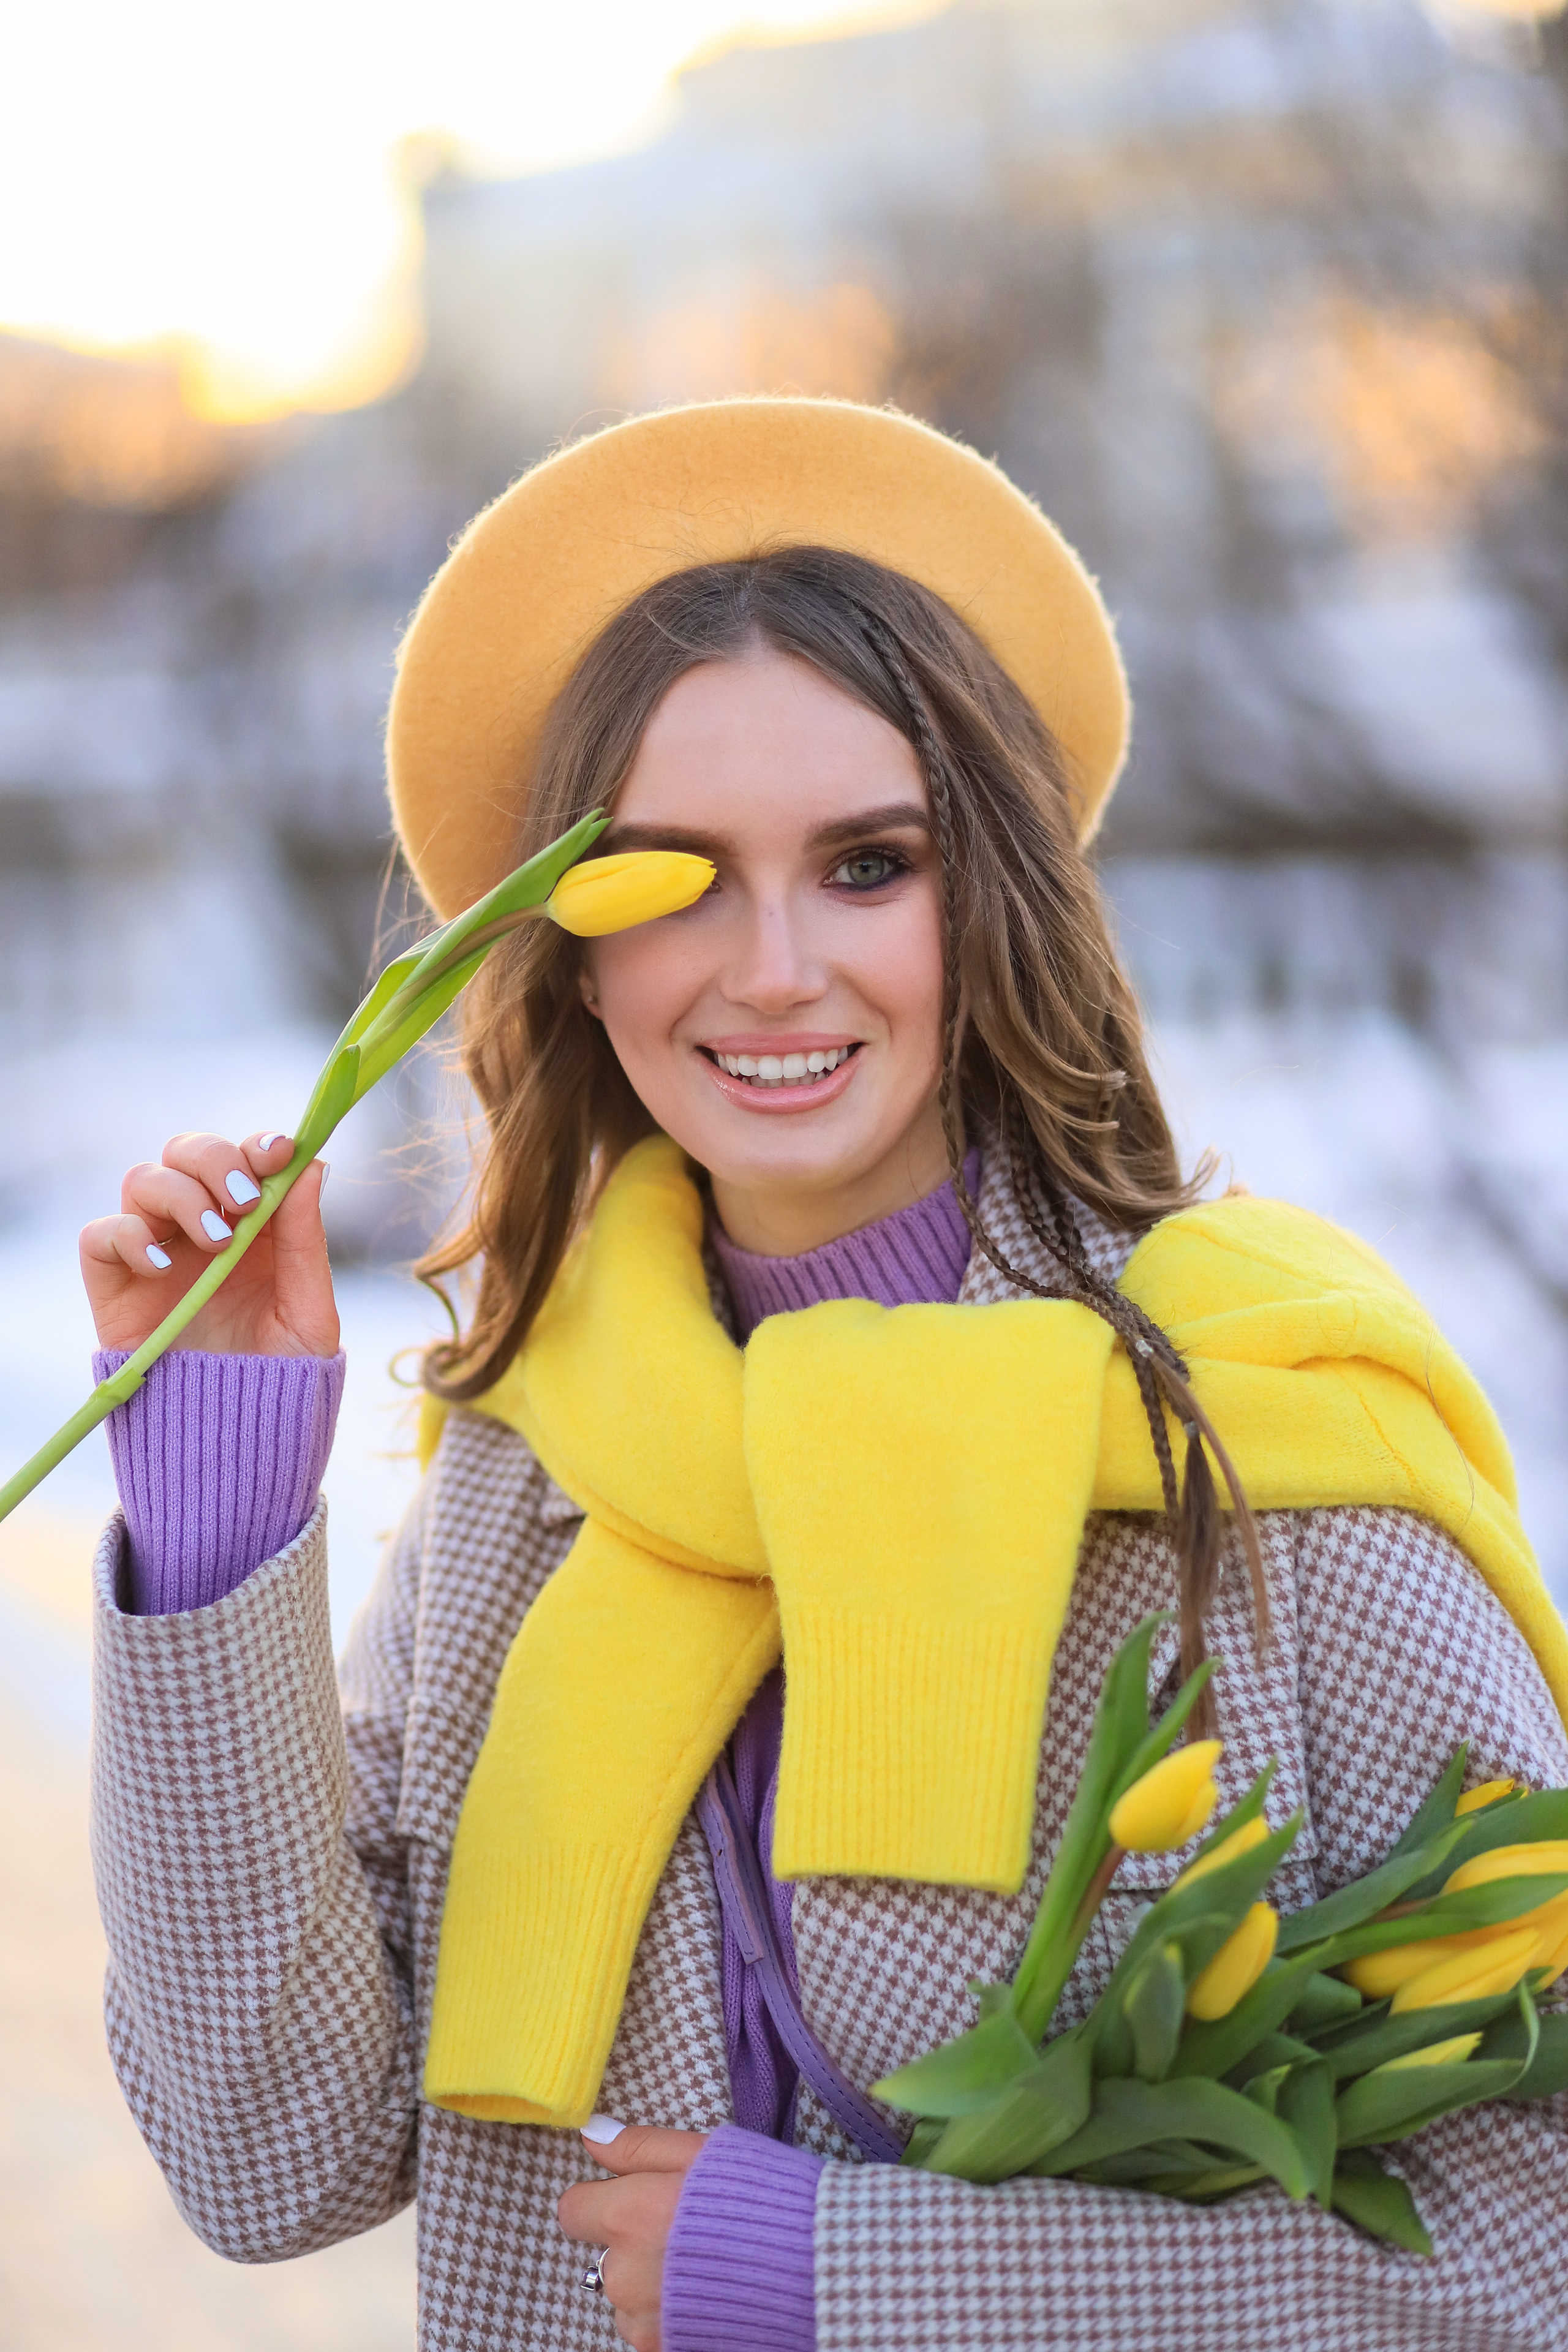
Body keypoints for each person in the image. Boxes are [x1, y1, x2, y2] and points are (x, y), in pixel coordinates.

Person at [81, 399, 1568, 2352]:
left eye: (869, 865)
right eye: (673, 877)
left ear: (995, 896)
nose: (772, 968)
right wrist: (215, 1496)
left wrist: (840, 2279)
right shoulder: (535, 1466)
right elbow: (270, 2152)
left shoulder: (1264, 1438)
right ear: (575, 955)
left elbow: (1531, 2260)